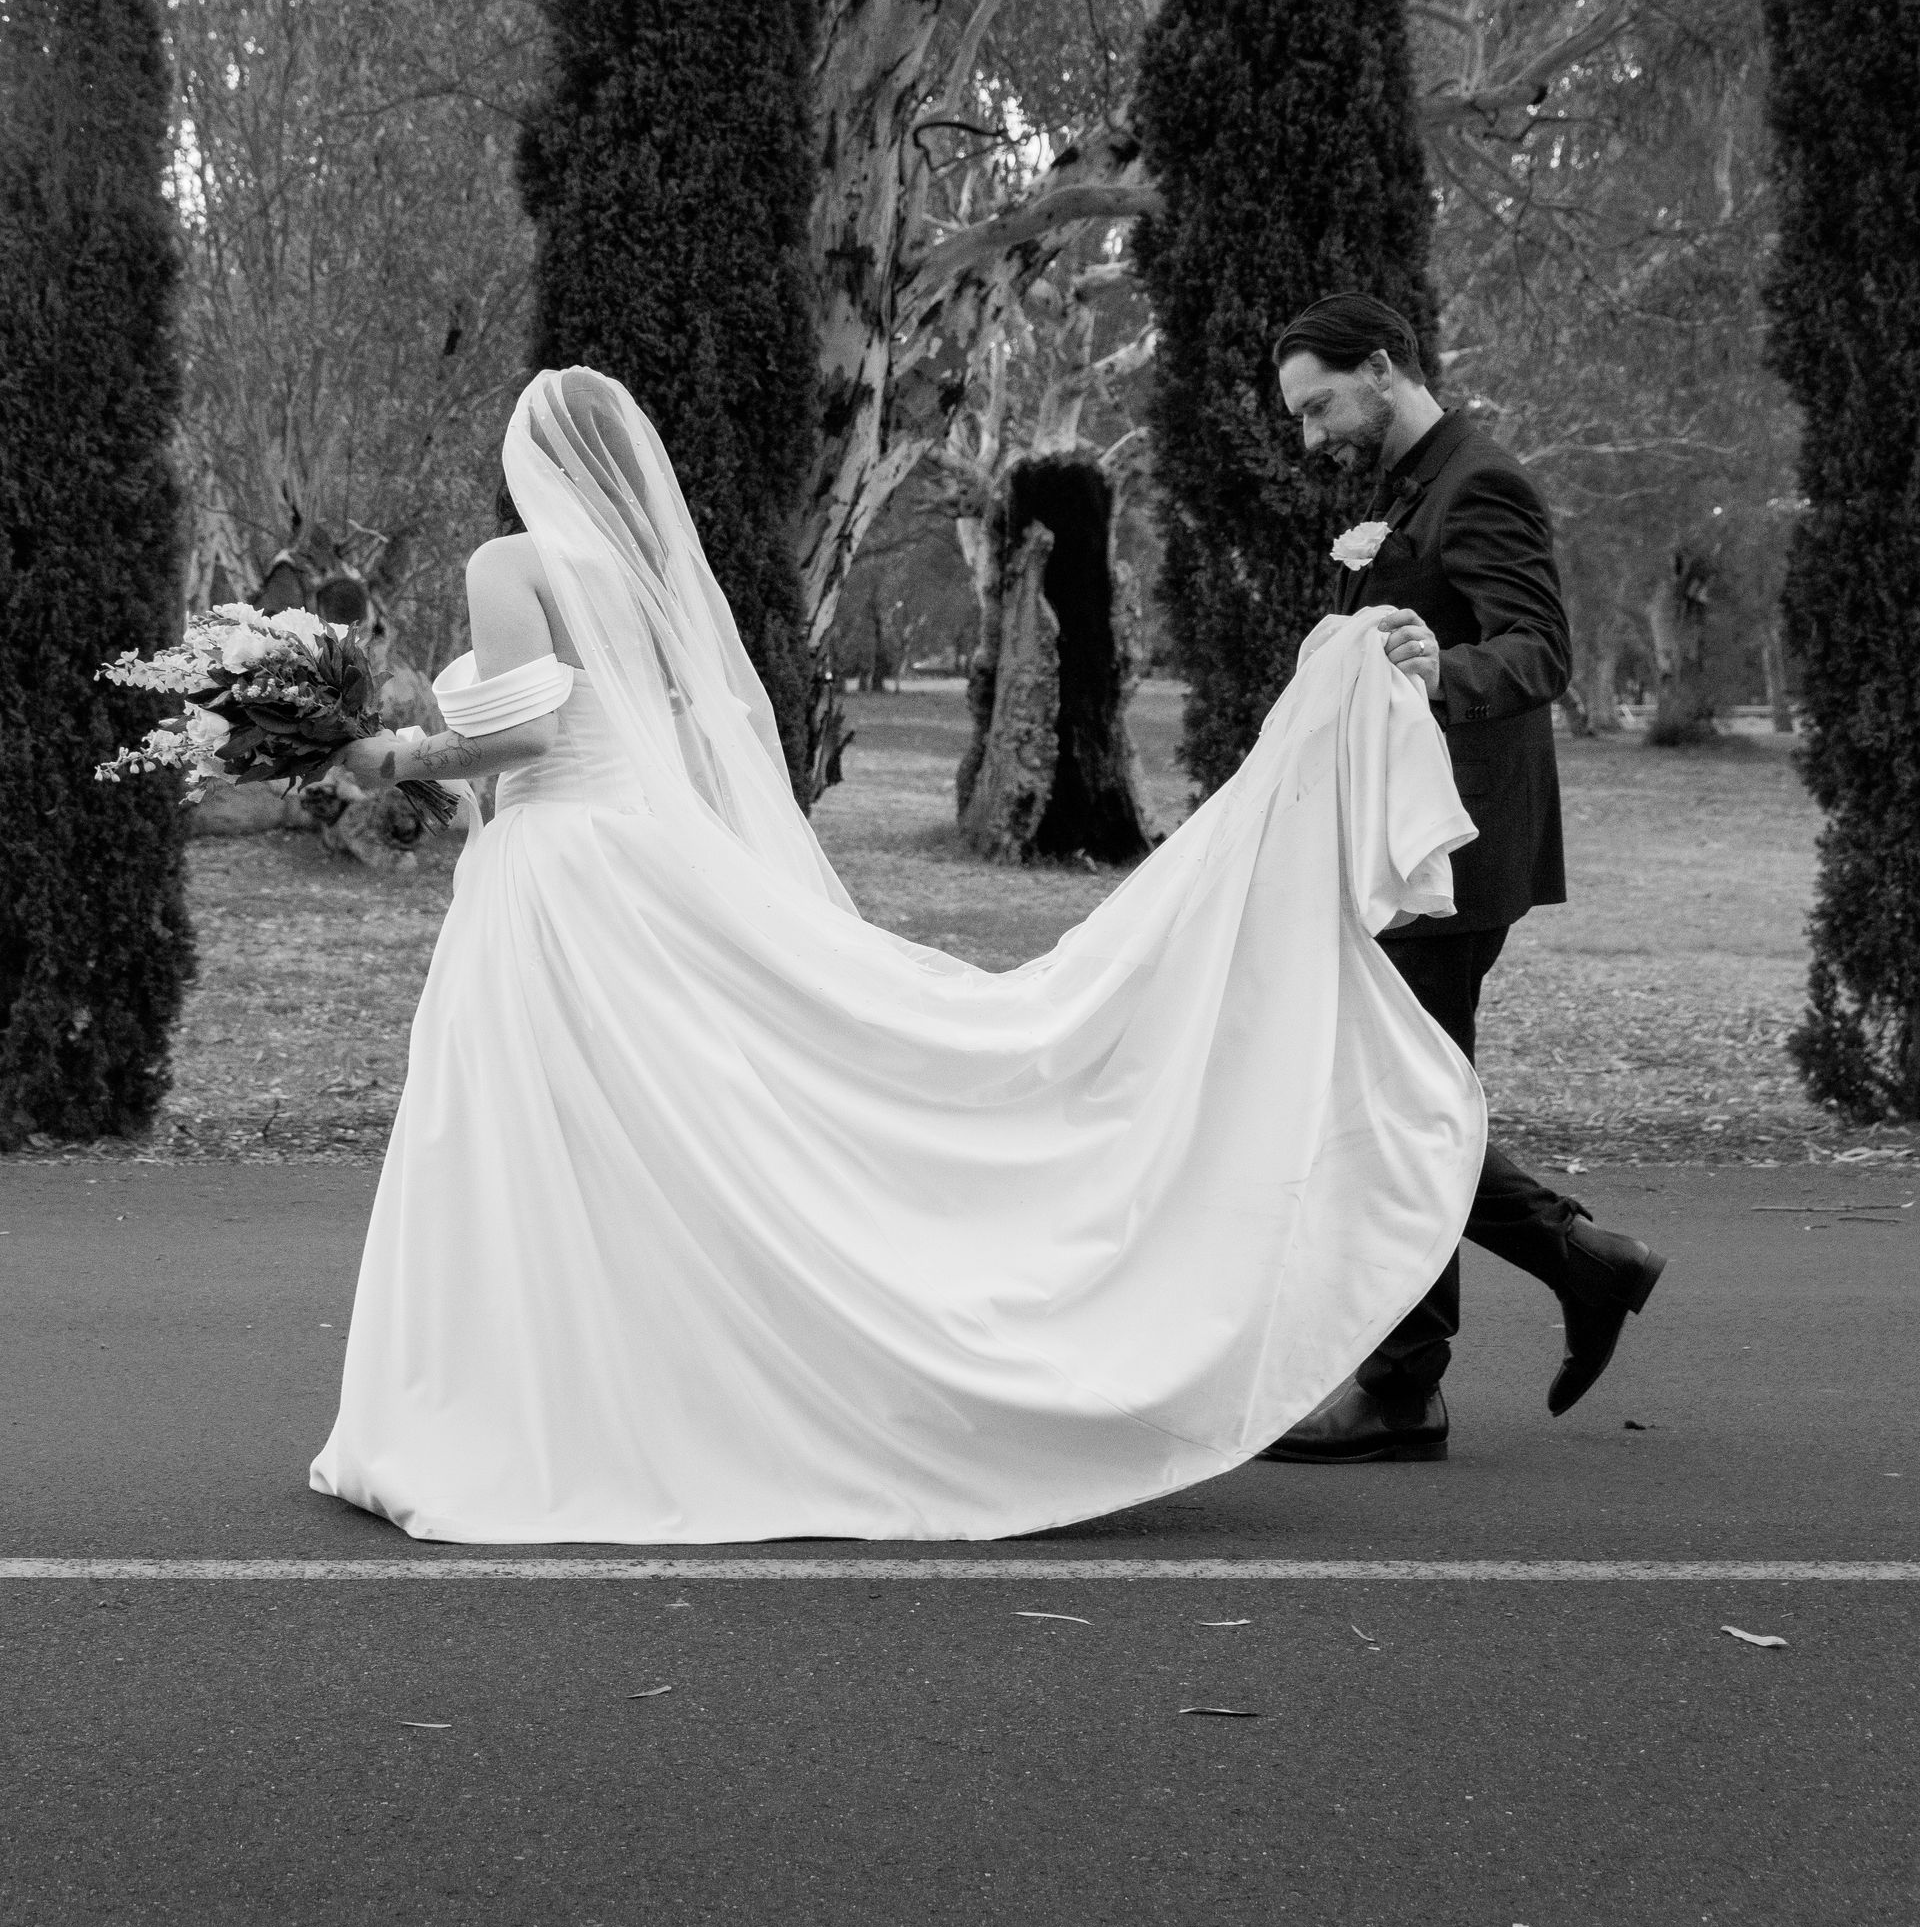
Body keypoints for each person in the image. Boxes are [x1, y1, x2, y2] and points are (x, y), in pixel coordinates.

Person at [311, 365, 1486, 1547]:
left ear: (530, 463)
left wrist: (393, 755)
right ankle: (634, 1387)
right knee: (665, 1126)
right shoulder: (645, 573)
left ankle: (546, 1398)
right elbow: (658, 729)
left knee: (543, 1132)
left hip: (561, 873)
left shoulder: (506, 564)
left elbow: (523, 731)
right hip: (635, 855)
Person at [1263, 294, 1666, 1466]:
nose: (1311, 436)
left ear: (1383, 369)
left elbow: (1541, 648)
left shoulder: (1478, 480)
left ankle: (1408, 1385)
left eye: (1320, 405)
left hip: (1453, 855)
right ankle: (1577, 1266)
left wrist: (1443, 665)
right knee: (1400, 1096)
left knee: (1400, 1103)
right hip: (1406, 850)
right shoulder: (1404, 489)